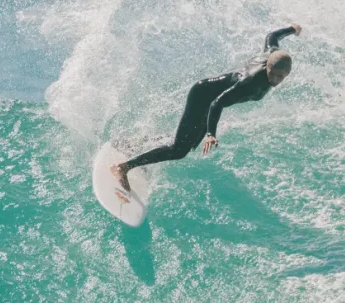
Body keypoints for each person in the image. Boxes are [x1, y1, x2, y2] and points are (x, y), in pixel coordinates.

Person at [111, 24, 302, 193]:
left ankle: (136, 143)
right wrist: (211, 133)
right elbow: (217, 103)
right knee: (179, 150)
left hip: (210, 97)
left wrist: (291, 29)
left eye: (281, 77)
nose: (275, 80)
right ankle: (124, 167)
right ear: (267, 66)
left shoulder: (274, 54)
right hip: (203, 95)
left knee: (189, 143)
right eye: (273, 74)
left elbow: (272, 37)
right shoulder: (250, 82)